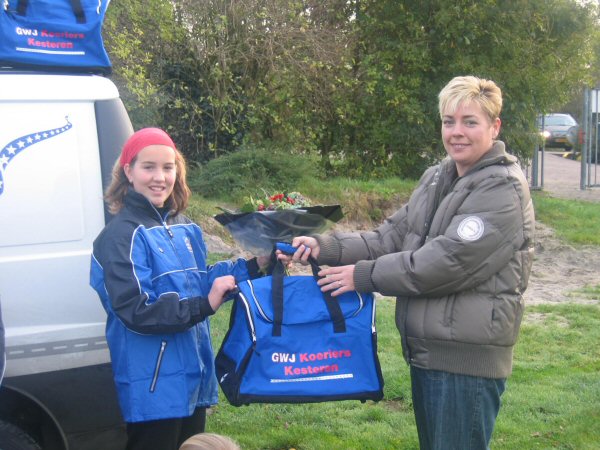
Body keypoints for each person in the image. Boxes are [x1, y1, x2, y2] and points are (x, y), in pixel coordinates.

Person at [281, 76, 535, 450]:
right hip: (430, 352)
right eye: (449, 121)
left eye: (470, 122)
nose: (457, 132)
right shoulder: (437, 177)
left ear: (494, 127)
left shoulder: (502, 188)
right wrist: (325, 247)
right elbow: (389, 238)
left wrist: (363, 276)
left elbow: (447, 262)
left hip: (465, 360)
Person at [90, 128, 266, 450]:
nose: (160, 177)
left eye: (168, 167)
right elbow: (135, 309)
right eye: (149, 167)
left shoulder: (184, 228)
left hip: (193, 379)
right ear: (128, 171)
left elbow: (203, 281)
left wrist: (256, 265)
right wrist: (204, 304)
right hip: (153, 388)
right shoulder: (120, 236)